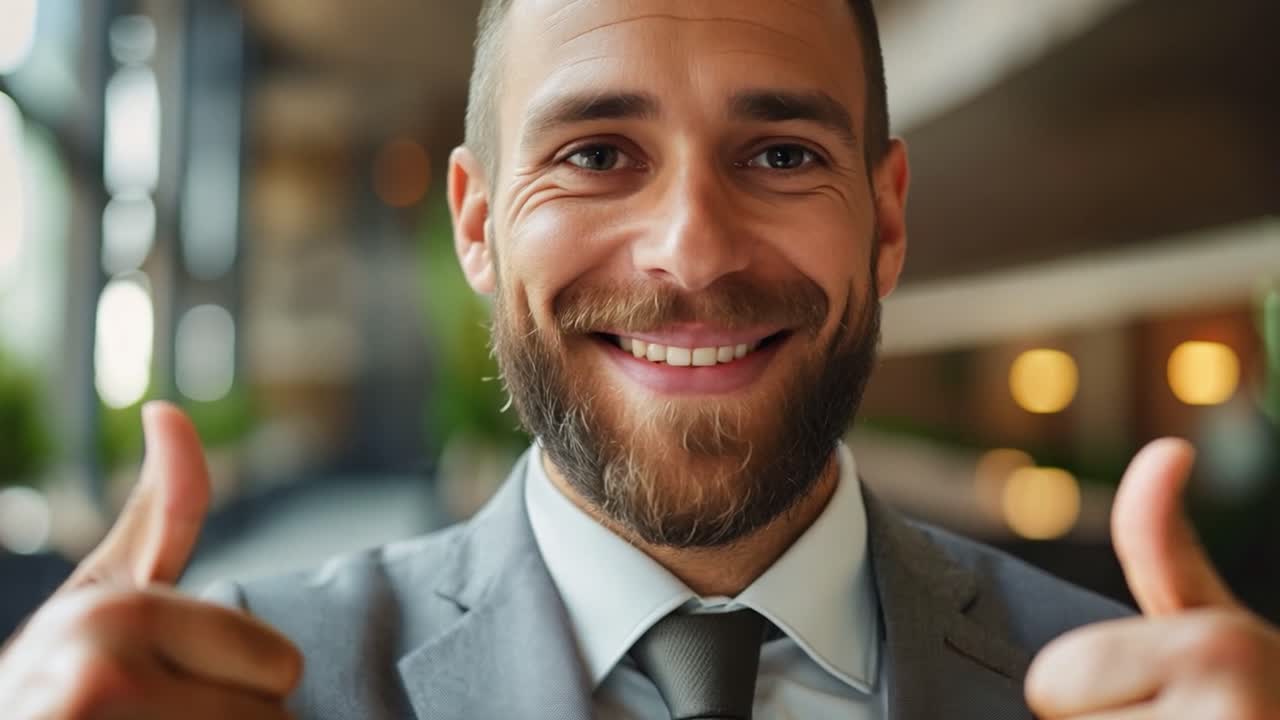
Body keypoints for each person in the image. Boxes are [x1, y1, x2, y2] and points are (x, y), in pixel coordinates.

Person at [3, 1, 1278, 717]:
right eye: (597, 154)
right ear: (478, 224)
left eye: (780, 155)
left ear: (883, 222)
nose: (692, 252)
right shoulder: (218, 693)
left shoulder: (1121, 690)